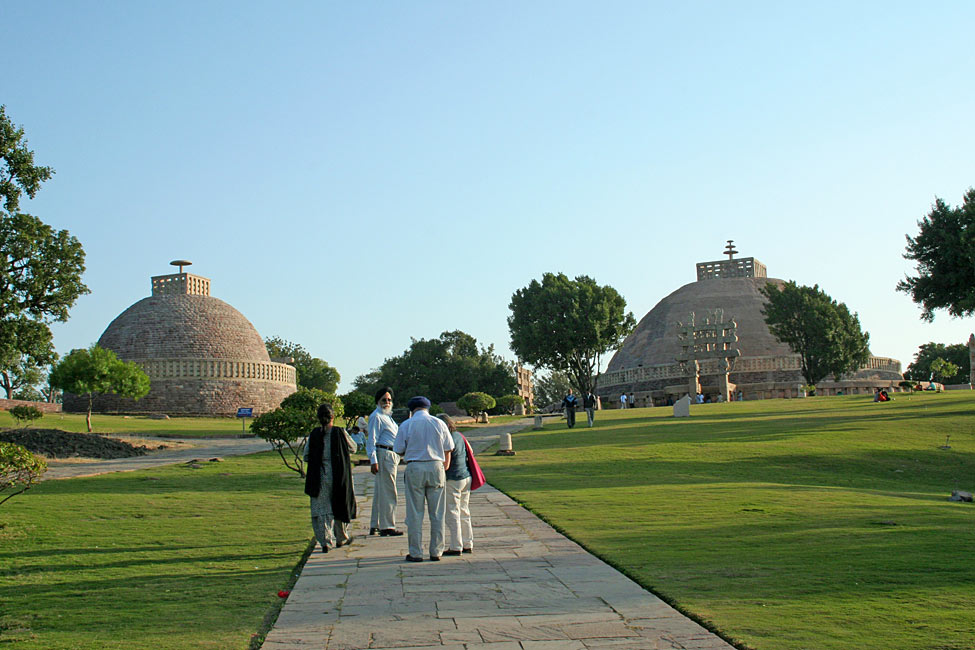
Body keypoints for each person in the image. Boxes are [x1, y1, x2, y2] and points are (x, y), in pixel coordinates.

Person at [394, 396, 454, 562]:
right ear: (428, 407)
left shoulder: (407, 424)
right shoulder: (439, 423)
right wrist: (444, 466)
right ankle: (436, 551)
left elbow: (398, 449)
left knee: (415, 512)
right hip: (436, 465)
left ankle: (416, 552)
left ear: (412, 409)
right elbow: (449, 447)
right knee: (437, 513)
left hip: (415, 466)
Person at [304, 403, 357, 553]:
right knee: (340, 504)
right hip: (338, 474)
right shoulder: (339, 433)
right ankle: (341, 537)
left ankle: (325, 541)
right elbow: (353, 448)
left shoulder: (314, 434)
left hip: (319, 475)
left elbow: (306, 455)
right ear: (332, 416)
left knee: (322, 509)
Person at [366, 387, 403, 537]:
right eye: (384, 400)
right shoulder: (377, 416)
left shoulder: (388, 417)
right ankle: (387, 526)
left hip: (391, 454)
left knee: (380, 492)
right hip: (384, 454)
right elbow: (371, 440)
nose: (387, 402)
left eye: (389, 400)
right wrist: (373, 460)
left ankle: (375, 524)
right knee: (389, 492)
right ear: (378, 401)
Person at [437, 414, 473, 556]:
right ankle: (467, 542)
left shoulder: (446, 438)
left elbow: (446, 463)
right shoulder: (459, 435)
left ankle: (456, 545)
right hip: (465, 476)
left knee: (452, 512)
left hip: (452, 478)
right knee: (464, 511)